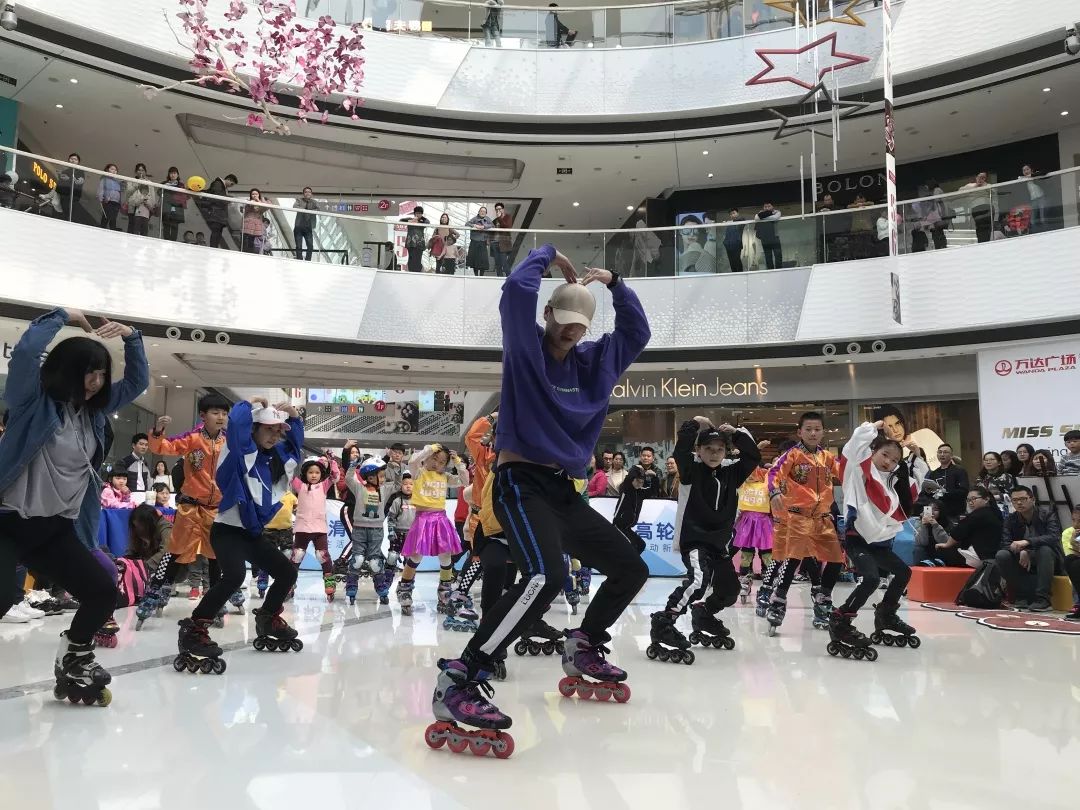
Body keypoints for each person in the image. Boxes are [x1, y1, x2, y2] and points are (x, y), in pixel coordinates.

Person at [427, 245, 650, 753]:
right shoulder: (526, 348)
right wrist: (547, 256)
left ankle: (584, 643)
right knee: (543, 577)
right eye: (563, 322)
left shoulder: (597, 362)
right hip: (519, 482)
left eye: (579, 327)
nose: (570, 333)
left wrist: (615, 283)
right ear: (548, 314)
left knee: (630, 567)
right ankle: (462, 676)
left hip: (563, 490)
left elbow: (637, 333)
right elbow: (514, 292)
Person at [0, 306, 148, 706]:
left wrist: (132, 337)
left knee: (102, 592)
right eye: (88, 373)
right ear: (66, 371)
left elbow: (137, 381)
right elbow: (27, 352)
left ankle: (74, 657)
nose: (96, 383)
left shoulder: (94, 413)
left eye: (101, 374)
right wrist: (62, 315)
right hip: (9, 523)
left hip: (55, 529)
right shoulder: (31, 402)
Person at [177, 398, 304, 666]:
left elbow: (294, 448)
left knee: (287, 572)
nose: (274, 435)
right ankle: (194, 629)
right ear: (253, 428)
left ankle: (267, 618)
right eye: (268, 429)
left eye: (277, 431)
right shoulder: (239, 452)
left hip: (252, 534)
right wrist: (248, 405)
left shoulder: (276, 459)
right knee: (234, 576)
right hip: (227, 531)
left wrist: (294, 418)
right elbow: (235, 426)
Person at [650, 420, 759, 659]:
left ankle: (704, 614)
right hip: (695, 540)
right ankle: (664, 621)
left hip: (719, 544)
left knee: (730, 590)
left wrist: (737, 433)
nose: (714, 453)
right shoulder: (691, 470)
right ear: (698, 450)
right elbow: (681, 451)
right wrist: (693, 425)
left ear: (726, 451)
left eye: (720, 449)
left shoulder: (732, 473)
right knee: (699, 581)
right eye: (708, 448)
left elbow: (753, 457)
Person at [829, 421, 925, 655]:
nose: (888, 462)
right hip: (857, 539)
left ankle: (886, 614)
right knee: (871, 578)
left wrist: (918, 457)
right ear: (873, 451)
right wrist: (871, 428)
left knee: (904, 572)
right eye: (885, 455)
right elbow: (852, 449)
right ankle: (841, 620)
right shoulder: (859, 470)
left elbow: (916, 485)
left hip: (879, 544)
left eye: (894, 460)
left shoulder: (894, 482)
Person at [141, 394, 231, 629]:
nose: (221, 417)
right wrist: (157, 432)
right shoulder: (192, 438)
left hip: (216, 509)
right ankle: (157, 588)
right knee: (175, 550)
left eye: (224, 413)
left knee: (216, 555)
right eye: (215, 412)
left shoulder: (230, 441)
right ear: (202, 415)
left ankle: (216, 597)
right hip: (190, 506)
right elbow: (163, 446)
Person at [761, 412, 843, 632]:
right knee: (792, 559)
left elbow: (846, 474)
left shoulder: (827, 458)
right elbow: (773, 474)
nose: (813, 433)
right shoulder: (793, 455)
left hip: (823, 518)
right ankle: (778, 600)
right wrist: (774, 492)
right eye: (808, 429)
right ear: (800, 432)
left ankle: (823, 598)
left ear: (823, 432)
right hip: (797, 517)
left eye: (817, 429)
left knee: (836, 559)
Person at [396, 444, 468, 614]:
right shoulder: (419, 472)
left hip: (440, 519)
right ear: (427, 458)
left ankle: (444, 591)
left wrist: (458, 462)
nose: (437, 464)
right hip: (422, 519)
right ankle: (404, 588)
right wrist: (429, 449)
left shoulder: (445, 476)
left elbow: (465, 481)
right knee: (415, 556)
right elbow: (412, 461)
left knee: (446, 556)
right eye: (434, 459)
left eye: (442, 462)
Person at [995, 485, 1063, 612]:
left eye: (1023, 499)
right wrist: (1022, 551)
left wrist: (1027, 543)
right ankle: (1021, 596)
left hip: (1048, 558)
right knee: (1002, 555)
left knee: (1045, 550)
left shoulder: (1048, 515)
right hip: (1022, 558)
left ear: (1033, 499)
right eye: (1015, 500)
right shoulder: (1010, 519)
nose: (1019, 503)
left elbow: (1053, 537)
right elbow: (1005, 543)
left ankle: (1043, 599)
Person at [342, 451, 395, 605]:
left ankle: (381, 588)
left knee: (375, 562)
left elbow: (398, 484)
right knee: (357, 559)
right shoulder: (359, 488)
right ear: (370, 477)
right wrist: (353, 465)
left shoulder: (384, 489)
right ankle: (351, 587)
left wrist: (394, 467)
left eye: (384, 476)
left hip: (376, 530)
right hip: (359, 529)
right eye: (381, 476)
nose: (383, 479)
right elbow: (348, 479)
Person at [290, 457, 336, 601]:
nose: (314, 475)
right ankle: (289, 583)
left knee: (322, 555)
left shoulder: (323, 485)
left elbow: (335, 476)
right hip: (302, 528)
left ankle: (329, 584)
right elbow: (288, 473)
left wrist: (332, 461)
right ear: (305, 473)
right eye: (310, 472)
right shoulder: (300, 486)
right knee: (297, 555)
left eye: (317, 472)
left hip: (319, 529)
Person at [732, 455, 772, 598]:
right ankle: (744, 580)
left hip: (764, 522)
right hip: (747, 522)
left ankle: (768, 583)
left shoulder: (768, 480)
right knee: (746, 555)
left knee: (767, 555)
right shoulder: (742, 482)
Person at [254, 489, 296, 599]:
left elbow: (297, 508)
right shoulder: (266, 493)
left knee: (287, 556)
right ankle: (263, 576)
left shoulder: (290, 495)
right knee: (267, 557)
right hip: (269, 530)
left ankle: (288, 582)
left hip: (286, 530)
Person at [926, 443, 969, 520]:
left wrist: (944, 494)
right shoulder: (933, 473)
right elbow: (928, 494)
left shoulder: (959, 471)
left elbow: (963, 491)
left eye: (945, 452)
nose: (942, 454)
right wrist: (928, 491)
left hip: (955, 512)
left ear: (951, 455)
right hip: (937, 513)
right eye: (940, 452)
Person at [912, 501, 958, 566]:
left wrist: (936, 525)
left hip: (942, 552)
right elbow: (922, 542)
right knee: (918, 549)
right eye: (929, 509)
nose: (932, 512)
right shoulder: (919, 522)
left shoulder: (948, 524)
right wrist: (924, 526)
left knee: (944, 549)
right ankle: (919, 568)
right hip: (926, 551)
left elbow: (946, 542)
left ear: (941, 512)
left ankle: (937, 564)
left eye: (935, 509)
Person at [200, 173, 238, 249]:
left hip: (219, 214)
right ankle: (213, 247)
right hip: (216, 212)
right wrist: (228, 198)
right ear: (229, 179)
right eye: (231, 184)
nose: (231, 186)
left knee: (218, 232)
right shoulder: (218, 184)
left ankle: (214, 247)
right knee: (216, 231)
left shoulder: (222, 187)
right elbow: (217, 196)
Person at [960, 171, 993, 243]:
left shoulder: (988, 185)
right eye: (979, 177)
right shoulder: (970, 185)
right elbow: (960, 191)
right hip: (975, 209)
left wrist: (984, 185)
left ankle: (988, 242)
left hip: (986, 208)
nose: (981, 179)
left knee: (988, 227)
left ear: (985, 179)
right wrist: (976, 186)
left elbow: (993, 192)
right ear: (976, 177)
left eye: (983, 178)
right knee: (979, 228)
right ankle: (982, 242)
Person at [125, 163, 156, 237]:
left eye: (142, 170)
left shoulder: (149, 183)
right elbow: (128, 193)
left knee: (144, 230)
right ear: (136, 171)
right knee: (132, 229)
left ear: (145, 172)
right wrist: (137, 183)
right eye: (139, 170)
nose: (141, 172)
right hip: (133, 207)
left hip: (145, 208)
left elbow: (152, 196)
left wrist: (149, 204)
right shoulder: (131, 181)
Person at [1062, 505, 1080, 621]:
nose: (1076, 525)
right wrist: (1074, 543)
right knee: (1070, 560)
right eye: (1074, 520)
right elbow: (1071, 554)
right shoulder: (1069, 533)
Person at [161, 167, 188, 243]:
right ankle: (166, 244)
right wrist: (166, 187)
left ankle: (173, 245)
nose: (173, 175)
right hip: (167, 209)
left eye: (174, 173)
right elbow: (159, 192)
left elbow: (185, 197)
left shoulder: (181, 185)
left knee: (174, 228)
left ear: (177, 175)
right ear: (168, 174)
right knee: (166, 227)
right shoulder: (164, 183)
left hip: (177, 209)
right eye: (171, 173)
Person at [465, 206, 493, 276]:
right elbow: (467, 224)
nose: (482, 212)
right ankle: (476, 276)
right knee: (475, 260)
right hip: (474, 242)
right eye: (481, 211)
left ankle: (481, 276)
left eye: (484, 211)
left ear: (486, 213)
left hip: (483, 242)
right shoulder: (475, 218)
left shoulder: (487, 219)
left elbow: (492, 225)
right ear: (479, 212)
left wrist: (484, 226)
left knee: (483, 260)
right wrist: (474, 225)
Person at [57, 152, 85, 220]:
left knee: (71, 214)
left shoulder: (80, 172)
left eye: (75, 159)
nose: (73, 160)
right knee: (63, 213)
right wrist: (60, 176)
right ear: (68, 160)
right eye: (71, 159)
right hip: (64, 195)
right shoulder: (65, 171)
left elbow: (79, 182)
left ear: (78, 162)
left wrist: (68, 179)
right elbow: (60, 184)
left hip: (74, 197)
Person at [401, 206, 430, 272]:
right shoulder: (410, 219)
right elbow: (401, 220)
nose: (418, 214)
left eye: (420, 213)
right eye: (416, 213)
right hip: (410, 243)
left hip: (419, 243)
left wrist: (419, 220)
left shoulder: (423, 221)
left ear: (422, 214)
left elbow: (428, 222)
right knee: (411, 259)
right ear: (414, 213)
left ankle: (418, 271)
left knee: (417, 259)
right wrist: (410, 221)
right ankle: (411, 271)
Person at [293, 187, 318, 261]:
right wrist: (304, 209)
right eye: (306, 192)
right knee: (298, 246)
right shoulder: (299, 200)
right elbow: (295, 206)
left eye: (309, 192)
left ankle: (308, 261)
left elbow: (318, 209)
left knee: (310, 246)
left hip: (308, 227)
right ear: (303, 194)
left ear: (311, 194)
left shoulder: (314, 202)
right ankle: (299, 260)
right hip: (299, 227)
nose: (307, 193)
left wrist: (310, 211)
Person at [755, 202, 782, 270]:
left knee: (778, 255)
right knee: (768, 257)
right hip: (765, 239)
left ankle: (779, 270)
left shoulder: (777, 212)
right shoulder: (760, 213)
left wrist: (763, 217)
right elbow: (756, 218)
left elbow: (775, 218)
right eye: (765, 207)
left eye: (769, 206)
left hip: (775, 238)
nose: (767, 208)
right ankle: (770, 271)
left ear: (772, 206)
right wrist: (768, 215)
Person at [97, 164, 123, 230]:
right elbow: (101, 189)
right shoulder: (104, 179)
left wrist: (120, 202)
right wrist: (101, 199)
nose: (114, 171)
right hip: (108, 201)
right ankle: (103, 228)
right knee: (106, 216)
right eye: (112, 169)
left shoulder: (118, 181)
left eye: (115, 170)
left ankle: (112, 228)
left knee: (114, 217)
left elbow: (120, 192)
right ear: (107, 170)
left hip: (116, 202)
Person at [242, 189, 268, 254]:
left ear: (259, 195)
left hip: (256, 225)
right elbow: (244, 210)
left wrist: (258, 201)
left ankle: (250, 254)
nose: (254, 195)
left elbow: (265, 208)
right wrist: (250, 203)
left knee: (252, 241)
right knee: (245, 241)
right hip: (248, 224)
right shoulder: (248, 202)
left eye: (256, 194)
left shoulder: (261, 202)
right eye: (253, 194)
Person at [491, 202, 513, 277]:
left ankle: (509, 278)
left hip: (503, 244)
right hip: (494, 243)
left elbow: (507, 227)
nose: (498, 211)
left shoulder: (508, 217)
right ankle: (499, 279)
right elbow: (491, 231)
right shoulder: (494, 220)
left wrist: (500, 218)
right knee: (497, 264)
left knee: (504, 262)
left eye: (499, 209)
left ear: (503, 209)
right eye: (496, 209)